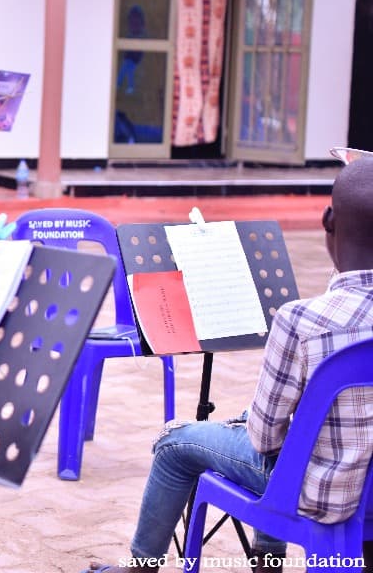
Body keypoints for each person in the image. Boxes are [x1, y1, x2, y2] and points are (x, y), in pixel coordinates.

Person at [82, 156, 373, 573]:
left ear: (328, 220)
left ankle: (141, 567)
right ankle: (266, 561)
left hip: (316, 494)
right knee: (269, 427)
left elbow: (265, 439)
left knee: (175, 443)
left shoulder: (304, 321)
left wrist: (247, 426)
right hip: (368, 490)